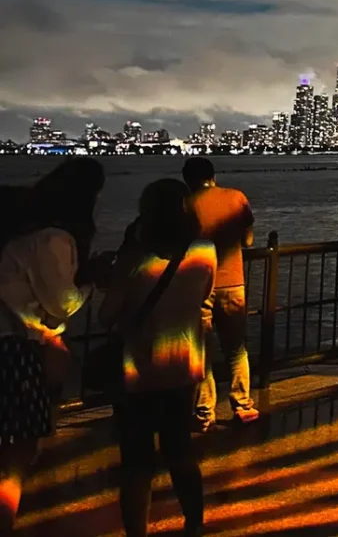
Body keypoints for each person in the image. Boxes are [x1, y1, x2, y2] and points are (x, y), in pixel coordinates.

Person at [99, 178, 217, 537]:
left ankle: (138, 531)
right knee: (180, 452)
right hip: (184, 365)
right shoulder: (205, 250)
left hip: (139, 370)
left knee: (137, 464)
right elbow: (204, 294)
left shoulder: (135, 260)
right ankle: (194, 523)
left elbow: (106, 315)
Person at [0, 158, 104, 532]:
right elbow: (62, 302)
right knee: (15, 455)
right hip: (15, 351)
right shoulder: (52, 238)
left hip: (17, 343)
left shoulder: (20, 233)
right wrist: (90, 284)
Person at [183, 158, 258, 429]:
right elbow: (249, 240)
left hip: (198, 286)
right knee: (236, 348)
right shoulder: (236, 197)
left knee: (202, 351)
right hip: (233, 283)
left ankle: (204, 413)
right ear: (213, 175)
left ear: (187, 180)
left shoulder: (186, 204)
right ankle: (243, 405)